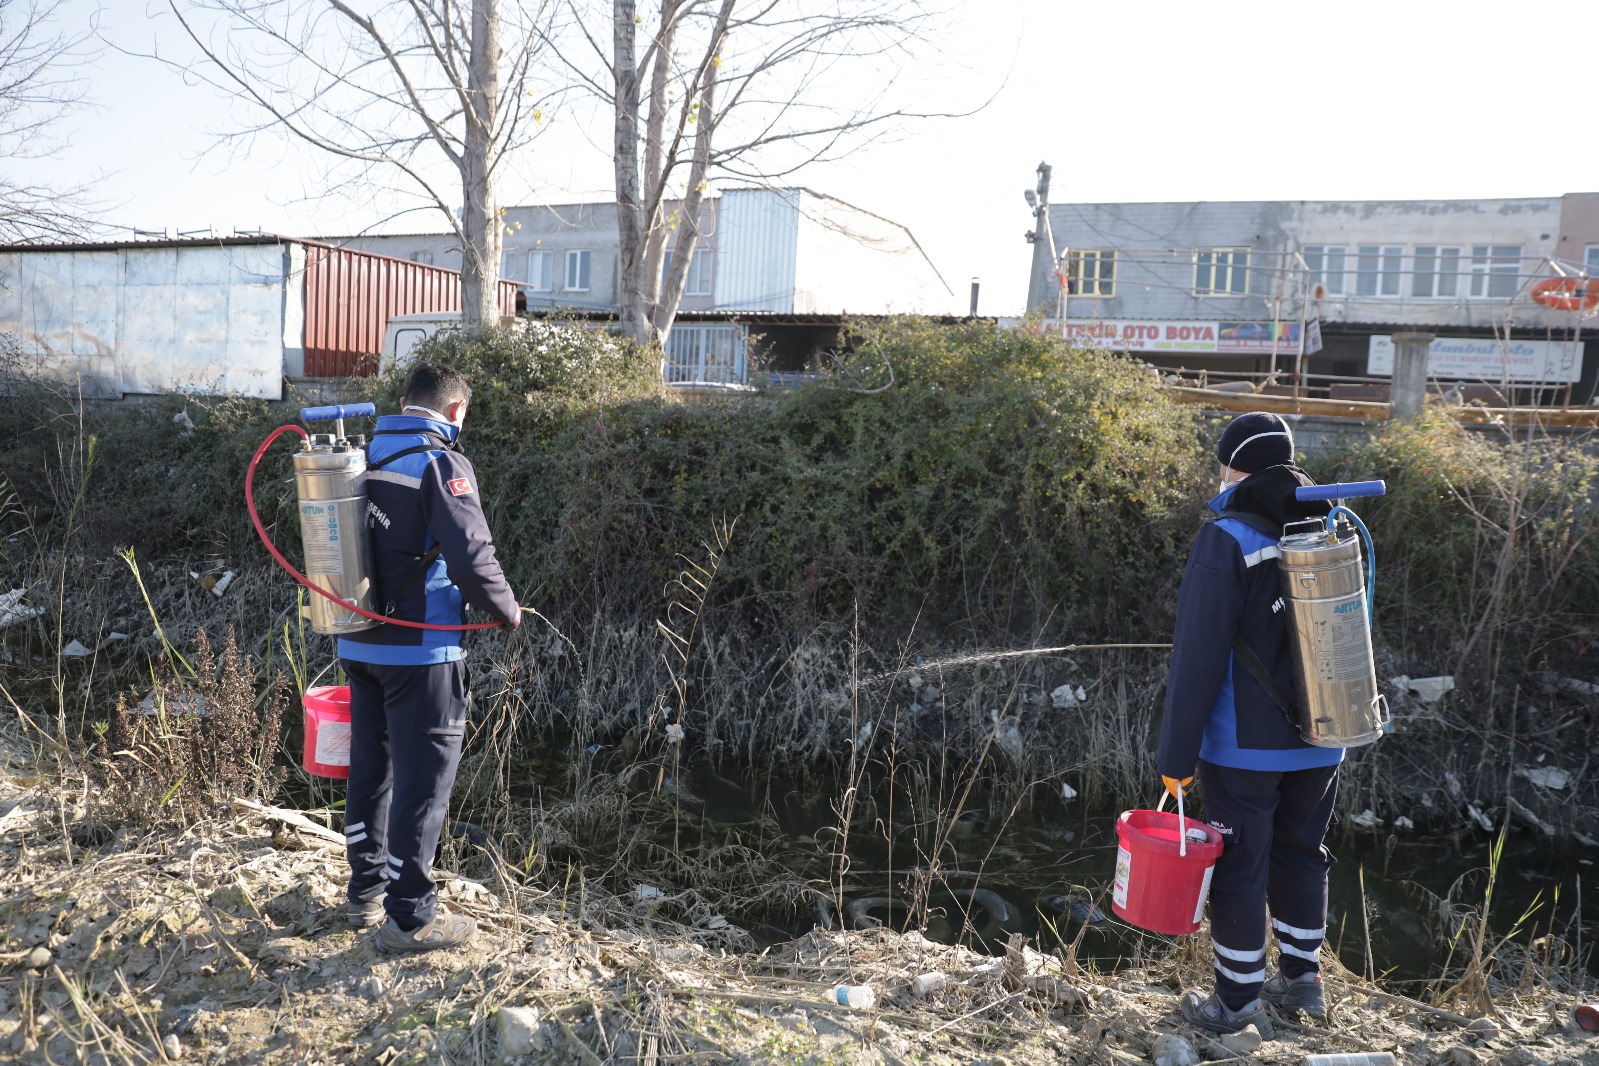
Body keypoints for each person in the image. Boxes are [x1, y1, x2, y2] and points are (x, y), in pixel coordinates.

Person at [1155, 411, 1341, 1036]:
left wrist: (1176, 755)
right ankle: (1303, 982)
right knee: (1302, 854)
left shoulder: (1227, 537)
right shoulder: (1330, 523)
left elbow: (1197, 654)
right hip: (1325, 735)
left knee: (1239, 863)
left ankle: (1235, 1003)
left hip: (1245, 748)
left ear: (1234, 466)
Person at [338, 361, 521, 953]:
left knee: (371, 772)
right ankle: (411, 920)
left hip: (357, 641)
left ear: (401, 401)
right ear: (455, 412)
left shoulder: (361, 454)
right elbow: (470, 555)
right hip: (421, 650)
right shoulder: (441, 462)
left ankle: (364, 893)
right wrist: (506, 610)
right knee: (423, 787)